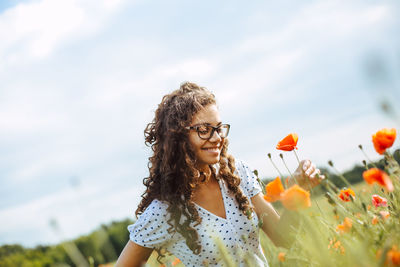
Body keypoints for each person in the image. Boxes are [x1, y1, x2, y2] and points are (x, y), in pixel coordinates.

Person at [116, 82, 323, 267]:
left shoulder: (237, 174)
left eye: (219, 128)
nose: (217, 138)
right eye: (204, 129)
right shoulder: (163, 211)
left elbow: (283, 239)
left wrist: (298, 190)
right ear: (178, 137)